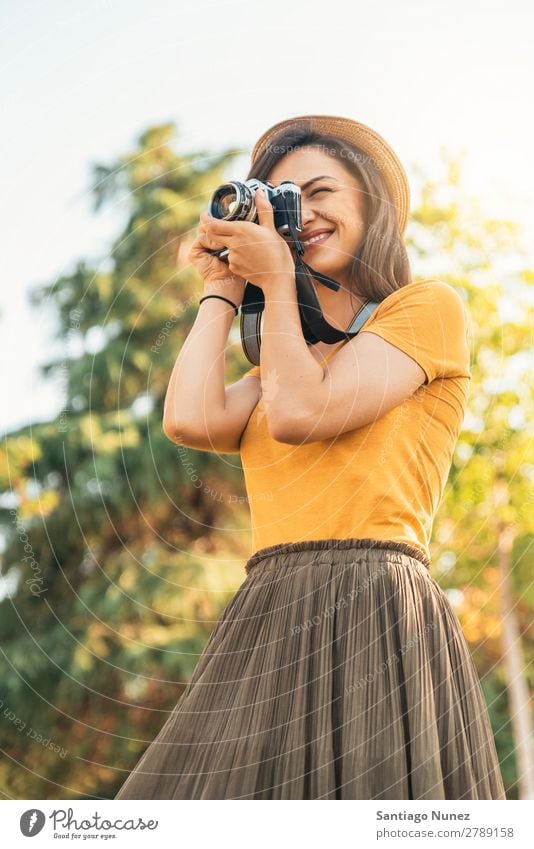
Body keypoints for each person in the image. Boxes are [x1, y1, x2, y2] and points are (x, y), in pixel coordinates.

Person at [115, 115, 506, 800]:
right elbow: (190, 416)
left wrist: (274, 283)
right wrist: (223, 287)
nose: (305, 215)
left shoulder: (427, 310)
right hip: (269, 610)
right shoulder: (286, 360)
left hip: (376, 604)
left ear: (373, 204)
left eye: (320, 191)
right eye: (285, 202)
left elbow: (302, 413)